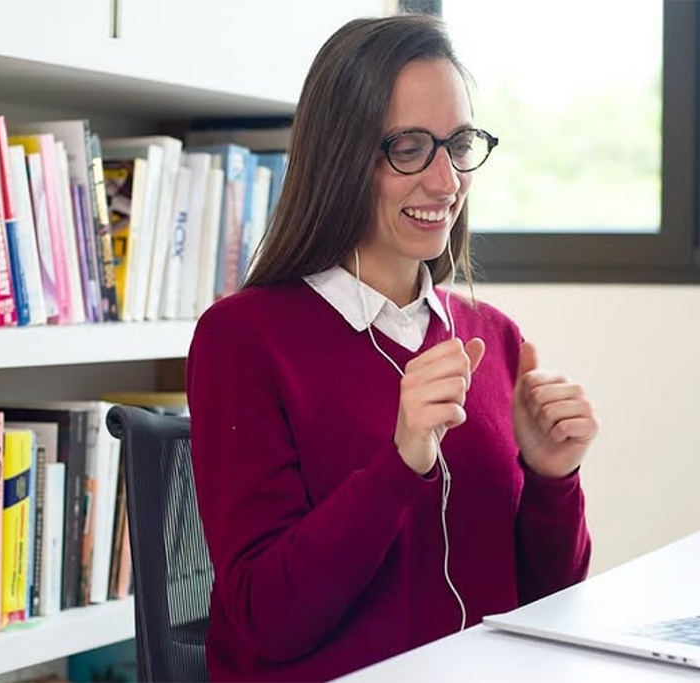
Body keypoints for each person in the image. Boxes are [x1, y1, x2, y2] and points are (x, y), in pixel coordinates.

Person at [186, 14, 597, 683]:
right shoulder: (243, 338)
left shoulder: (490, 337)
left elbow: (550, 608)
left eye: (458, 144)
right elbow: (267, 617)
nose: (444, 182)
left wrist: (553, 479)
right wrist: (400, 461)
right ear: (341, 157)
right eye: (409, 147)